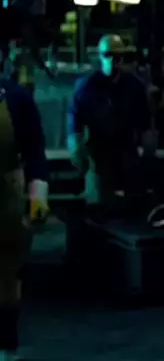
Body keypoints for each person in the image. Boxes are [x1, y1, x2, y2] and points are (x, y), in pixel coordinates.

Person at [67, 35, 155, 217]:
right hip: (98, 153)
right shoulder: (86, 87)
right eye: (108, 55)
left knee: (134, 205)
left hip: (126, 149)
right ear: (100, 57)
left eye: (117, 56)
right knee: (98, 206)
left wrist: (147, 151)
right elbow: (74, 123)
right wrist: (77, 151)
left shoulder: (133, 86)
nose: (113, 61)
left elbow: (145, 122)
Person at [0, 76, 48, 361]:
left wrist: (38, 198)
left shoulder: (17, 98)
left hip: (7, 199)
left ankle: (6, 347)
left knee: (6, 278)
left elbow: (35, 152)